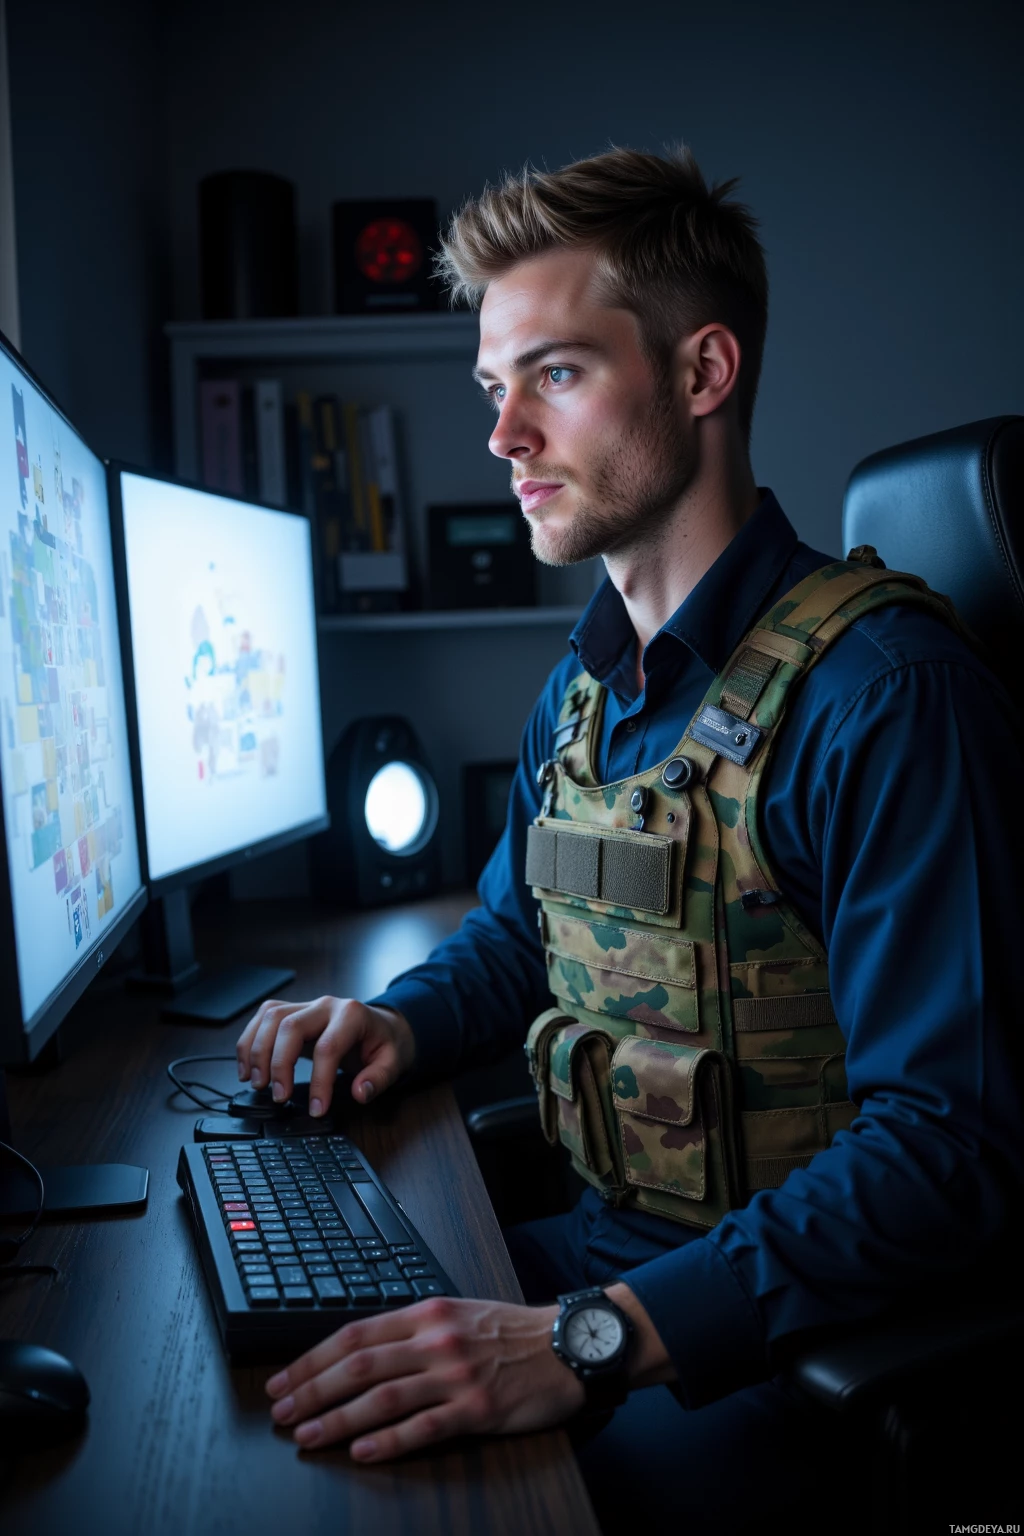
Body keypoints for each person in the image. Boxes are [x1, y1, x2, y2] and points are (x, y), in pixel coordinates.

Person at [236, 148, 1023, 1530]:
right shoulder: (588, 691)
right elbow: (515, 936)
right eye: (495, 389)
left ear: (702, 374)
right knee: (267, 1414)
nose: (501, 439)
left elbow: (948, 1151)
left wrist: (583, 1341)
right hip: (603, 1263)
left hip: (787, 1356)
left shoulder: (886, 700)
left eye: (554, 375)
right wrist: (396, 1025)